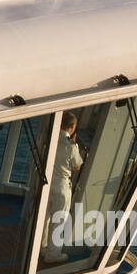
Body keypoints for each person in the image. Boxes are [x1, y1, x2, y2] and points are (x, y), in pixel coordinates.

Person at [42, 111, 85, 264]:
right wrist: (76, 144)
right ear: (72, 127)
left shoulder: (50, 139)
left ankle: (42, 247)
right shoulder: (70, 145)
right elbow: (77, 166)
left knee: (44, 219)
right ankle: (53, 254)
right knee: (58, 221)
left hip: (46, 184)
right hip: (61, 187)